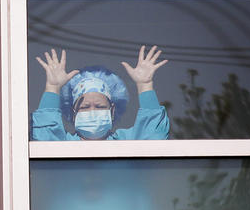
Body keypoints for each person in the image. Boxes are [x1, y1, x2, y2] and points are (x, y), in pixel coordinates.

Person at [31, 46, 169, 141]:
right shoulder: (65, 143)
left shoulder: (125, 142)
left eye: (100, 107)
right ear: (74, 113)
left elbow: (153, 136)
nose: (92, 111)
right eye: (85, 107)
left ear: (112, 110)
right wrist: (53, 87)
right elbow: (45, 136)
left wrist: (145, 85)